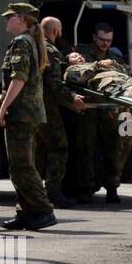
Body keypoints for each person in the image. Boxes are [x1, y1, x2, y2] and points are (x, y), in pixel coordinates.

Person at [0, 4, 57, 231]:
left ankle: (43, 210)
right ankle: (25, 213)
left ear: (22, 19)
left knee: (22, 166)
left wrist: (2, 110)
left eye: (9, 18)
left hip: (21, 115)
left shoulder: (21, 42)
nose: (6, 22)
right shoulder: (29, 41)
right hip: (25, 112)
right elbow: (16, 82)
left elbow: (19, 79)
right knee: (18, 166)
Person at [72, 22, 130, 204]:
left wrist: (112, 64)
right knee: (86, 148)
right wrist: (98, 65)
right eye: (102, 40)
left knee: (114, 148)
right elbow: (76, 74)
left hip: (110, 111)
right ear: (94, 38)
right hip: (88, 109)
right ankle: (86, 188)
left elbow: (125, 74)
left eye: (109, 40)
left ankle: (112, 188)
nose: (105, 44)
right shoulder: (81, 52)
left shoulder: (114, 55)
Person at [37, 16, 87, 208]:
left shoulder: (36, 46)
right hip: (47, 107)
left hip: (35, 106)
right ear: (55, 31)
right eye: (61, 30)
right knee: (59, 147)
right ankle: (53, 192)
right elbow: (54, 83)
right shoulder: (50, 50)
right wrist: (72, 97)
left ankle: (38, 192)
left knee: (39, 150)